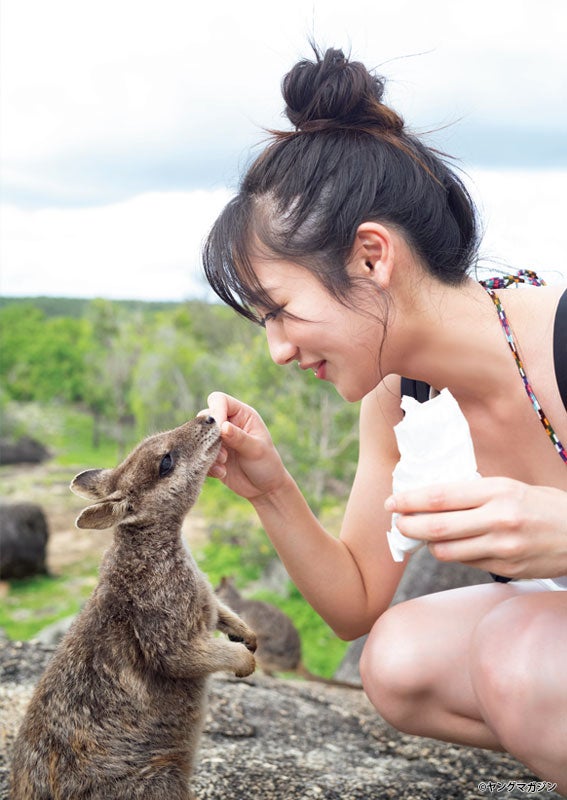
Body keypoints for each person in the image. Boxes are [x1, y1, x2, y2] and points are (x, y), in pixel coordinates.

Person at [201, 46, 567, 790]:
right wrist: (270, 488)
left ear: (371, 257)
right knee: (397, 659)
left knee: (521, 653)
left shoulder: (558, 338)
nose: (275, 351)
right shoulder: (400, 400)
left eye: (280, 312)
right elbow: (355, 604)